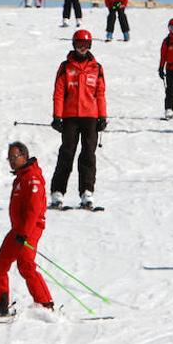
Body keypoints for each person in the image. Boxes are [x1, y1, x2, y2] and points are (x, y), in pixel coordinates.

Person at [0, 142, 54, 318]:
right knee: (1, 264)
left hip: (29, 229)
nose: (11, 161)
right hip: (19, 230)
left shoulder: (32, 178)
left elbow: (34, 210)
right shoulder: (21, 177)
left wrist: (25, 233)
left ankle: (45, 304)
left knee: (25, 264)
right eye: (9, 158)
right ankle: (0, 303)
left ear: (24, 156)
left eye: (14, 157)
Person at [49, 29, 107, 210]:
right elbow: (58, 93)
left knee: (88, 155)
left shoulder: (96, 68)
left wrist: (102, 116)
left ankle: (86, 193)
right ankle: (57, 193)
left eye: (86, 45)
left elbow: (100, 94)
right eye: (79, 44)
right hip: (70, 117)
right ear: (74, 45)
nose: (82, 48)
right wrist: (57, 116)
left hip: (90, 117)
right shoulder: (65, 67)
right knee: (67, 153)